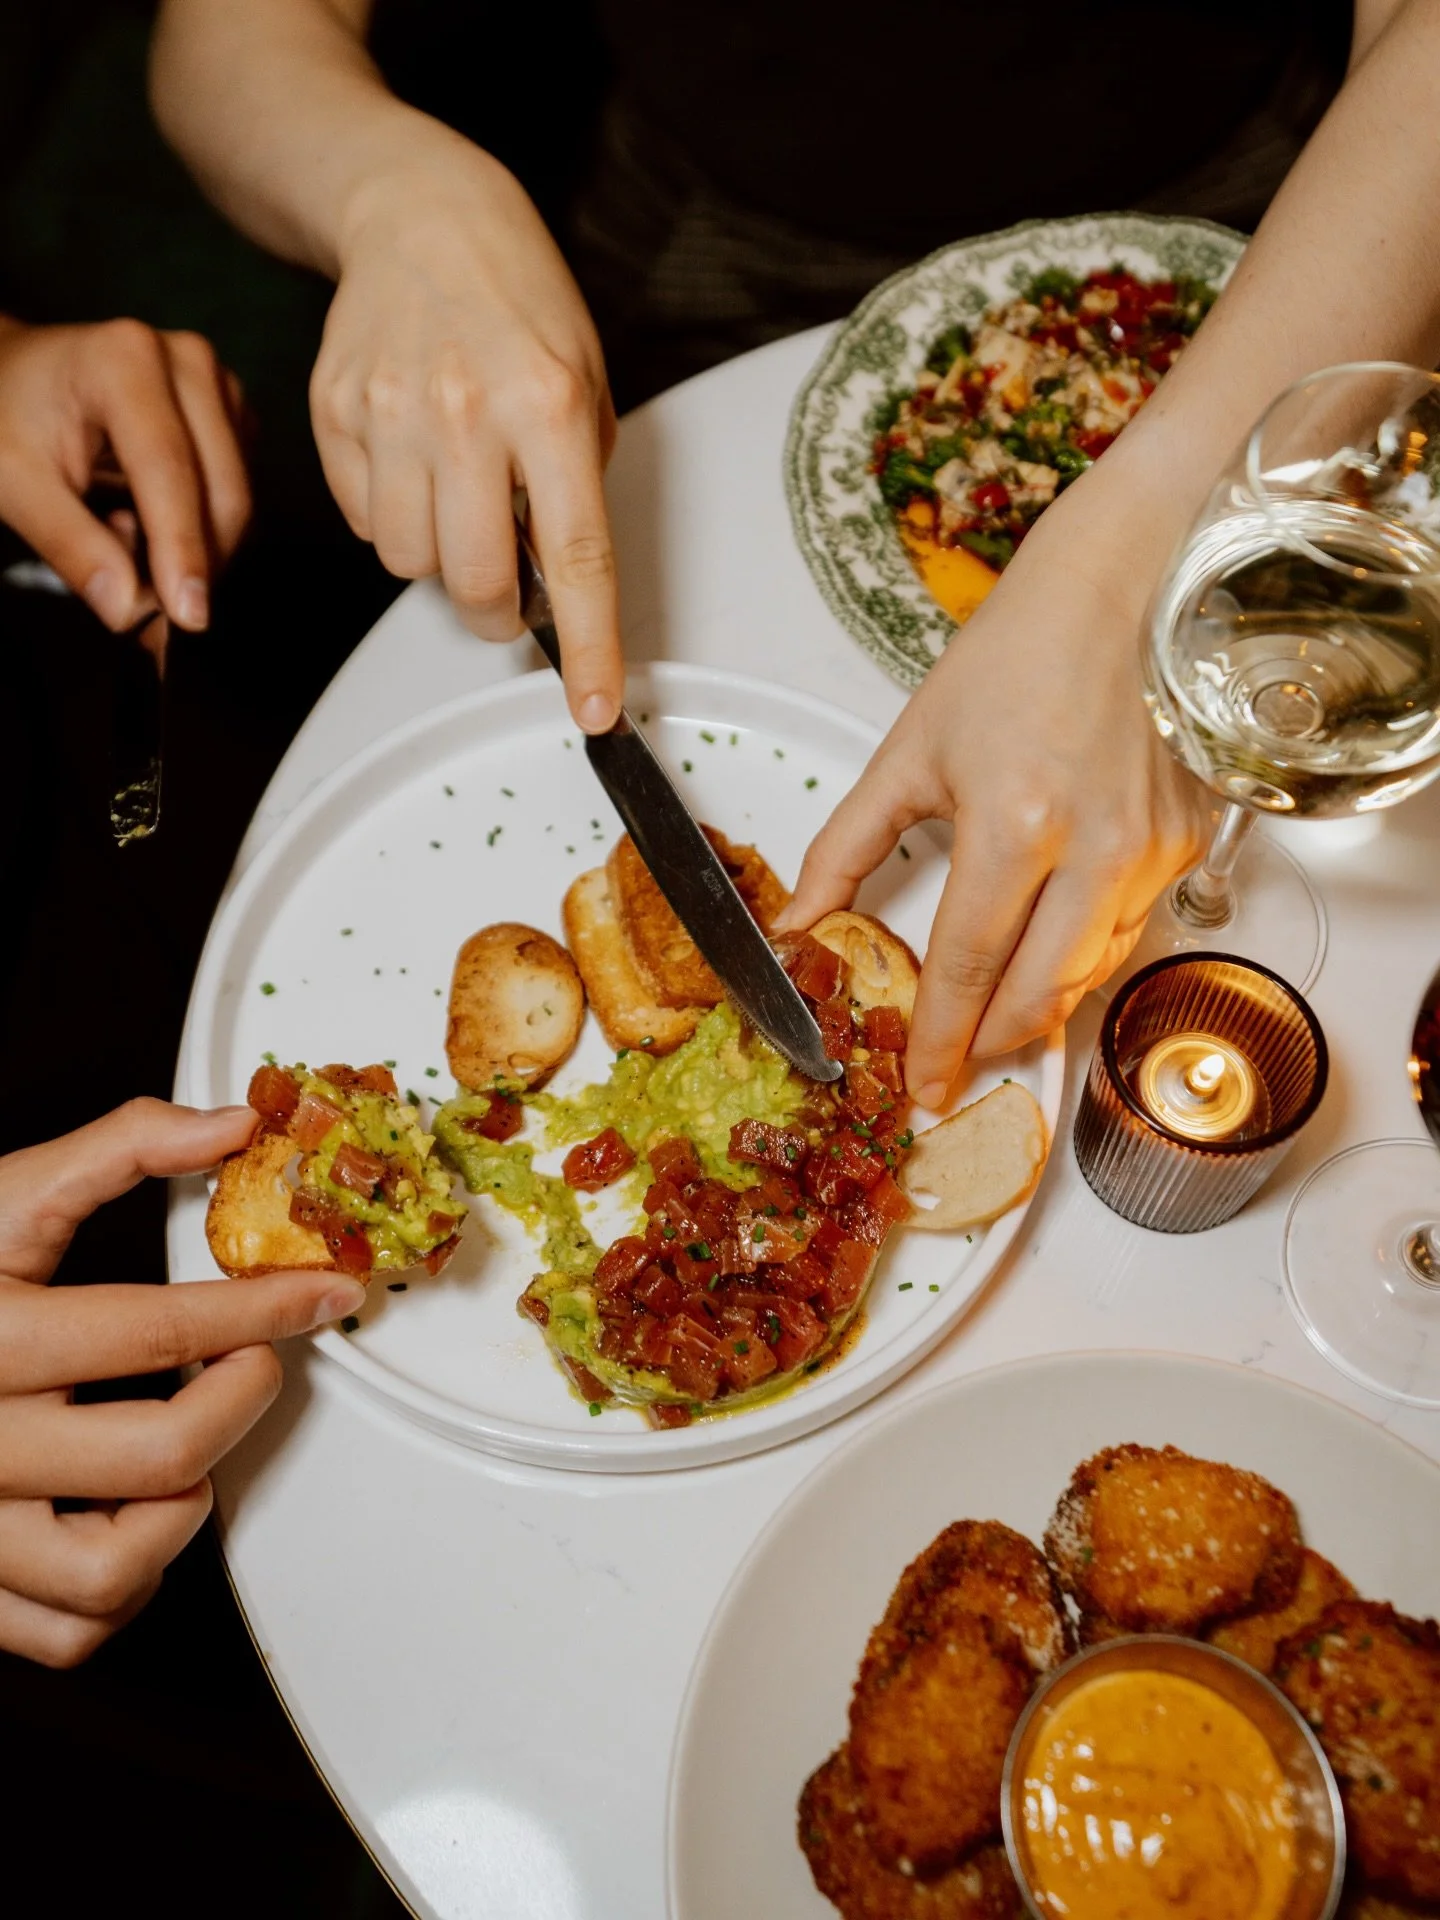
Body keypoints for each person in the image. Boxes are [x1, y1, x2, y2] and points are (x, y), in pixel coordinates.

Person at [148, 0, 1440, 1113]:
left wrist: (1142, 539)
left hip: (1299, 235)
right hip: (697, 257)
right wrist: (402, 199)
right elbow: (228, 38)